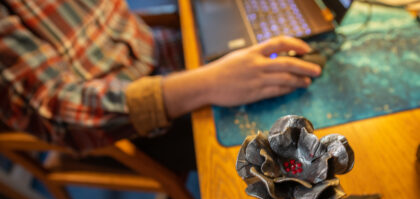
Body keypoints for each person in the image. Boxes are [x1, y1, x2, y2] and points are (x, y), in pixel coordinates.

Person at [0, 0, 321, 171]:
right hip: (127, 122)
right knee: (297, 154)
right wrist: (209, 82)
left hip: (160, 47)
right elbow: (62, 112)